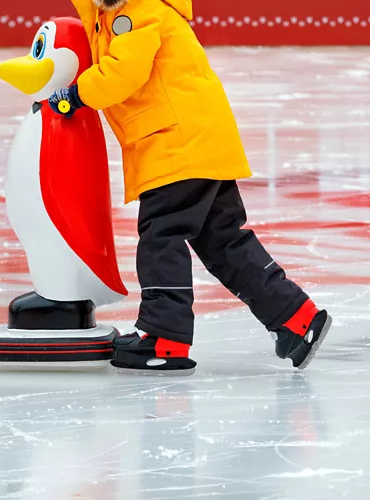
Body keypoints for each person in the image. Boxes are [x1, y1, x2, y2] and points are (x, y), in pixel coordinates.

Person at [47, 0, 332, 375]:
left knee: (161, 236)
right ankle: (297, 319)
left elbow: (123, 73)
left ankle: (164, 338)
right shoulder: (117, 16)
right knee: (225, 242)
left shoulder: (135, 13)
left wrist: (76, 95)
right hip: (198, 142)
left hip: (176, 145)